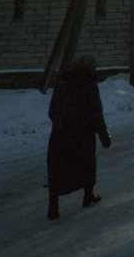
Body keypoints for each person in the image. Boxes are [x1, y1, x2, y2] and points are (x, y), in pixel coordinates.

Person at [46, 55, 111, 221]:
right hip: (83, 135)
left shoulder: (62, 83)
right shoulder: (89, 85)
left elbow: (52, 110)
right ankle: (87, 196)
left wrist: (60, 123)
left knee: (57, 170)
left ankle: (53, 208)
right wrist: (104, 136)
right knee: (86, 165)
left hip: (60, 134)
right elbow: (96, 113)